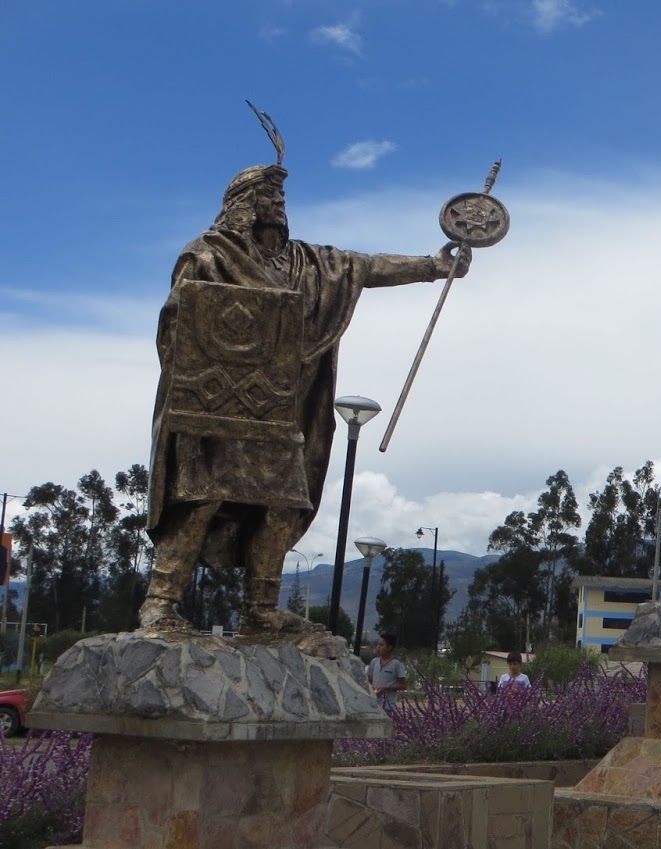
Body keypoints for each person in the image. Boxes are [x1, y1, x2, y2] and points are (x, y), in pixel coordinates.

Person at [140, 108, 470, 634]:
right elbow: (180, 327)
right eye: (266, 196)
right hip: (219, 410)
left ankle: (261, 610)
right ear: (241, 204)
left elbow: (366, 266)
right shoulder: (208, 255)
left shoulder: (309, 263)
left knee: (281, 505)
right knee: (202, 500)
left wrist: (432, 266)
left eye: (280, 197)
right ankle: (160, 603)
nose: (277, 205)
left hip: (280, 411)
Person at [367, 633, 408, 710]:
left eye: (381, 645)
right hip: (373, 704)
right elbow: (368, 680)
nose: (378, 647)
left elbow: (404, 685)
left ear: (389, 648)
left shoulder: (396, 664)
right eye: (378, 644)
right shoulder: (374, 662)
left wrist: (387, 688)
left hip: (388, 706)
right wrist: (371, 687)